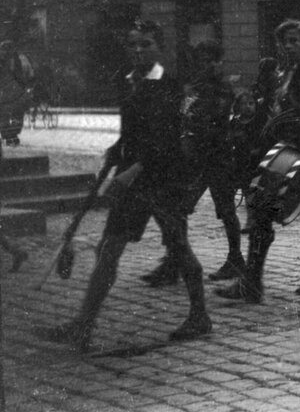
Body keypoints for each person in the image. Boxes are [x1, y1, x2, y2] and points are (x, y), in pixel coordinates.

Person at [42, 19, 211, 350]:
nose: (138, 50)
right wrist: (116, 150)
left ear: (158, 47)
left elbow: (164, 138)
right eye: (133, 44)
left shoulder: (168, 85)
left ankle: (200, 315)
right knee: (109, 250)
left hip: (162, 180)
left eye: (145, 44)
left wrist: (131, 170)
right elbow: (133, 130)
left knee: (178, 247)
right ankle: (83, 325)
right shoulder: (130, 81)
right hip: (134, 181)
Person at [217, 19, 300, 302]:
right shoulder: (274, 74)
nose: (289, 46)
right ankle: (252, 282)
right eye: (285, 41)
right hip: (274, 152)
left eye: (295, 40)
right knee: (260, 212)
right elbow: (264, 109)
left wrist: (290, 122)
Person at [143, 39, 240, 285]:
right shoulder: (194, 87)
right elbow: (184, 114)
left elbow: (214, 118)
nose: (205, 65)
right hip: (194, 159)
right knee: (178, 209)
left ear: (219, 62)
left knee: (226, 210)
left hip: (217, 157)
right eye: (201, 60)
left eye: (210, 60)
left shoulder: (223, 88)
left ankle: (235, 259)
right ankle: (173, 261)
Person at [0, 39, 33, 146]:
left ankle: (7, 136)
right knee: (17, 115)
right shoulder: (23, 59)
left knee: (4, 115)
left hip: (4, 94)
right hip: (19, 93)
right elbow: (31, 75)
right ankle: (14, 135)